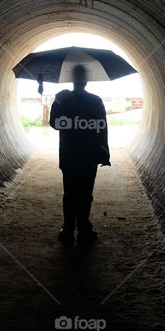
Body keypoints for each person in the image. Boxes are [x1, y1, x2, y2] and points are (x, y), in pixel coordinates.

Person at [49, 65, 110, 244]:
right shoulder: (96, 100)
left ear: (72, 80)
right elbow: (102, 128)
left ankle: (68, 229)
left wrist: (57, 101)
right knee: (85, 193)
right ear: (86, 81)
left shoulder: (63, 100)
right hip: (89, 155)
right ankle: (84, 229)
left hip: (69, 154)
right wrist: (104, 154)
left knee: (69, 193)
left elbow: (54, 123)